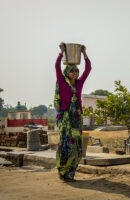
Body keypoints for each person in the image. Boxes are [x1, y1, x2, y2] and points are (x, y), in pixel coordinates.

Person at [54, 42, 91, 182]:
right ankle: (62, 171)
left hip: (76, 119)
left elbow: (88, 69)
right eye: (72, 71)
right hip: (65, 119)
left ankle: (70, 174)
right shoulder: (62, 82)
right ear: (66, 72)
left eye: (76, 71)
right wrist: (61, 52)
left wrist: (84, 54)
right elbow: (56, 67)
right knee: (66, 145)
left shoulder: (79, 83)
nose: (75, 73)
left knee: (76, 147)